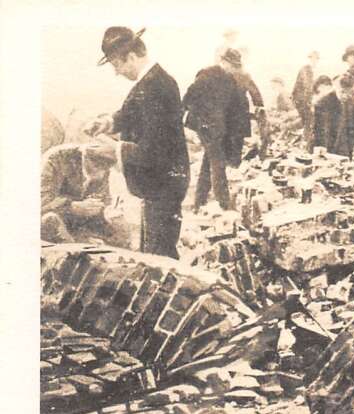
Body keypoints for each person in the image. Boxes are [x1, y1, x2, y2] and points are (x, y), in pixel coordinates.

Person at [89, 26, 190, 259]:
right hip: (162, 182)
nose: (117, 72)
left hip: (164, 183)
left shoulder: (157, 86)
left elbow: (154, 150)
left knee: (159, 257)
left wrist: (115, 150)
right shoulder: (150, 82)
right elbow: (129, 113)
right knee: (154, 252)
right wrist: (107, 123)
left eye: (117, 64)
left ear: (132, 57)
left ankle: (169, 294)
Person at [183, 48, 245, 212]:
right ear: (223, 61)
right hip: (205, 126)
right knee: (218, 163)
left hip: (218, 127)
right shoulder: (206, 74)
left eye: (235, 66)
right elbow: (188, 97)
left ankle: (199, 201)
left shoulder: (229, 79)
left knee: (207, 163)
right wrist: (187, 122)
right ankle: (224, 204)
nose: (233, 68)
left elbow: (232, 106)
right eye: (232, 65)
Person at [40, 143, 130, 247]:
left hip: (78, 225)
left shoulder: (102, 168)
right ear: (85, 158)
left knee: (119, 231)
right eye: (97, 166)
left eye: (105, 169)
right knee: (51, 220)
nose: (101, 173)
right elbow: (42, 202)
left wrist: (107, 211)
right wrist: (72, 206)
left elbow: (102, 200)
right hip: (51, 219)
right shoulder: (56, 159)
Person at [292, 51, 320, 149]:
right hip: (302, 101)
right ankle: (305, 145)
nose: (314, 61)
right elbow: (307, 87)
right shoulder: (307, 70)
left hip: (301, 100)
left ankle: (305, 143)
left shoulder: (309, 70)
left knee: (307, 123)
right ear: (310, 59)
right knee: (309, 122)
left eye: (316, 59)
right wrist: (310, 103)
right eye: (313, 58)